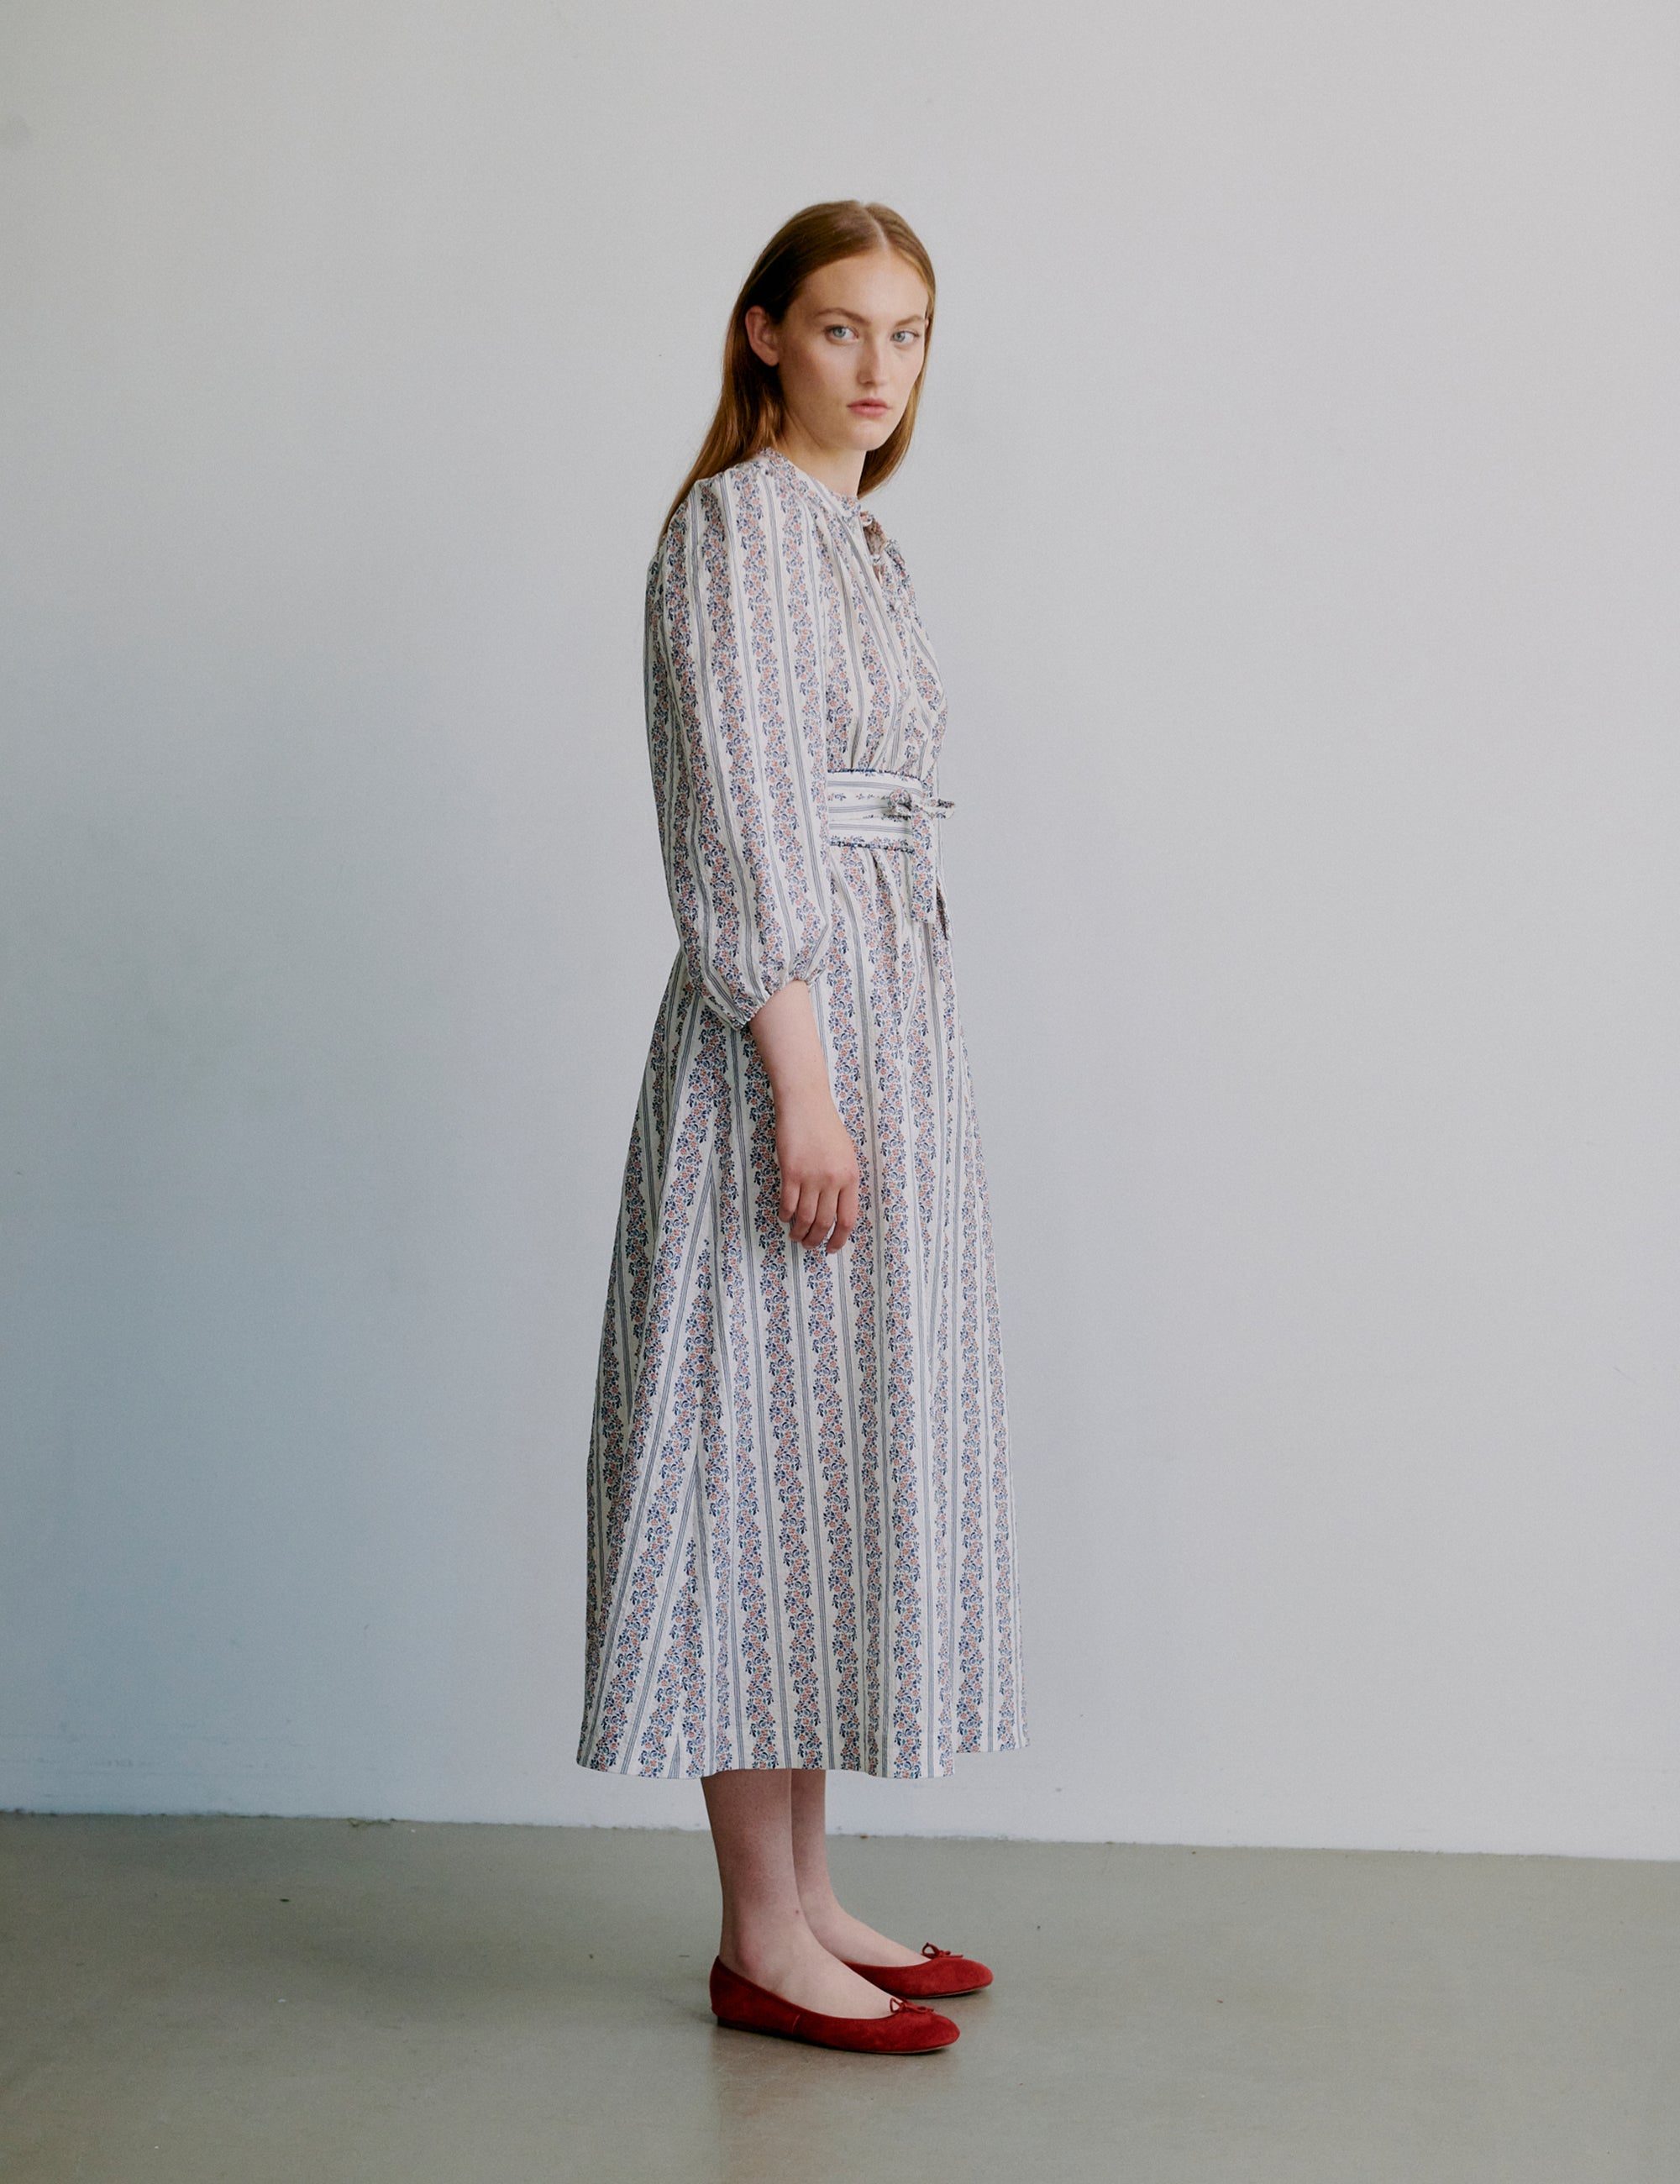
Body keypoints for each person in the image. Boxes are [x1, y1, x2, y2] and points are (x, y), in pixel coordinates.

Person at [576, 199, 1026, 2055]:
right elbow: (741, 825)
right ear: (763, 334)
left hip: (882, 1033)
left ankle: (811, 1890)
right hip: (795, 1042)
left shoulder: (857, 541)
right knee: (752, 1464)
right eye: (841, 329)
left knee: (827, 1466)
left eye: (907, 336)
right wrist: (803, 1079)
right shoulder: (739, 535)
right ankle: (759, 1933)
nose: (876, 370)